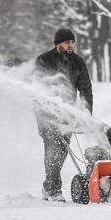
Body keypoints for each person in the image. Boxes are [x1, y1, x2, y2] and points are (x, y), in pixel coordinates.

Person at [33, 28, 93, 202]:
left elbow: (86, 90)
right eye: (67, 42)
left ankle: (47, 186)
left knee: (62, 151)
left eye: (73, 42)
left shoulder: (78, 62)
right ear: (58, 43)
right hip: (45, 112)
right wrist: (51, 102)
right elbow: (38, 87)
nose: (71, 45)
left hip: (68, 112)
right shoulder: (44, 60)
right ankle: (54, 190)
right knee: (53, 149)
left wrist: (86, 112)